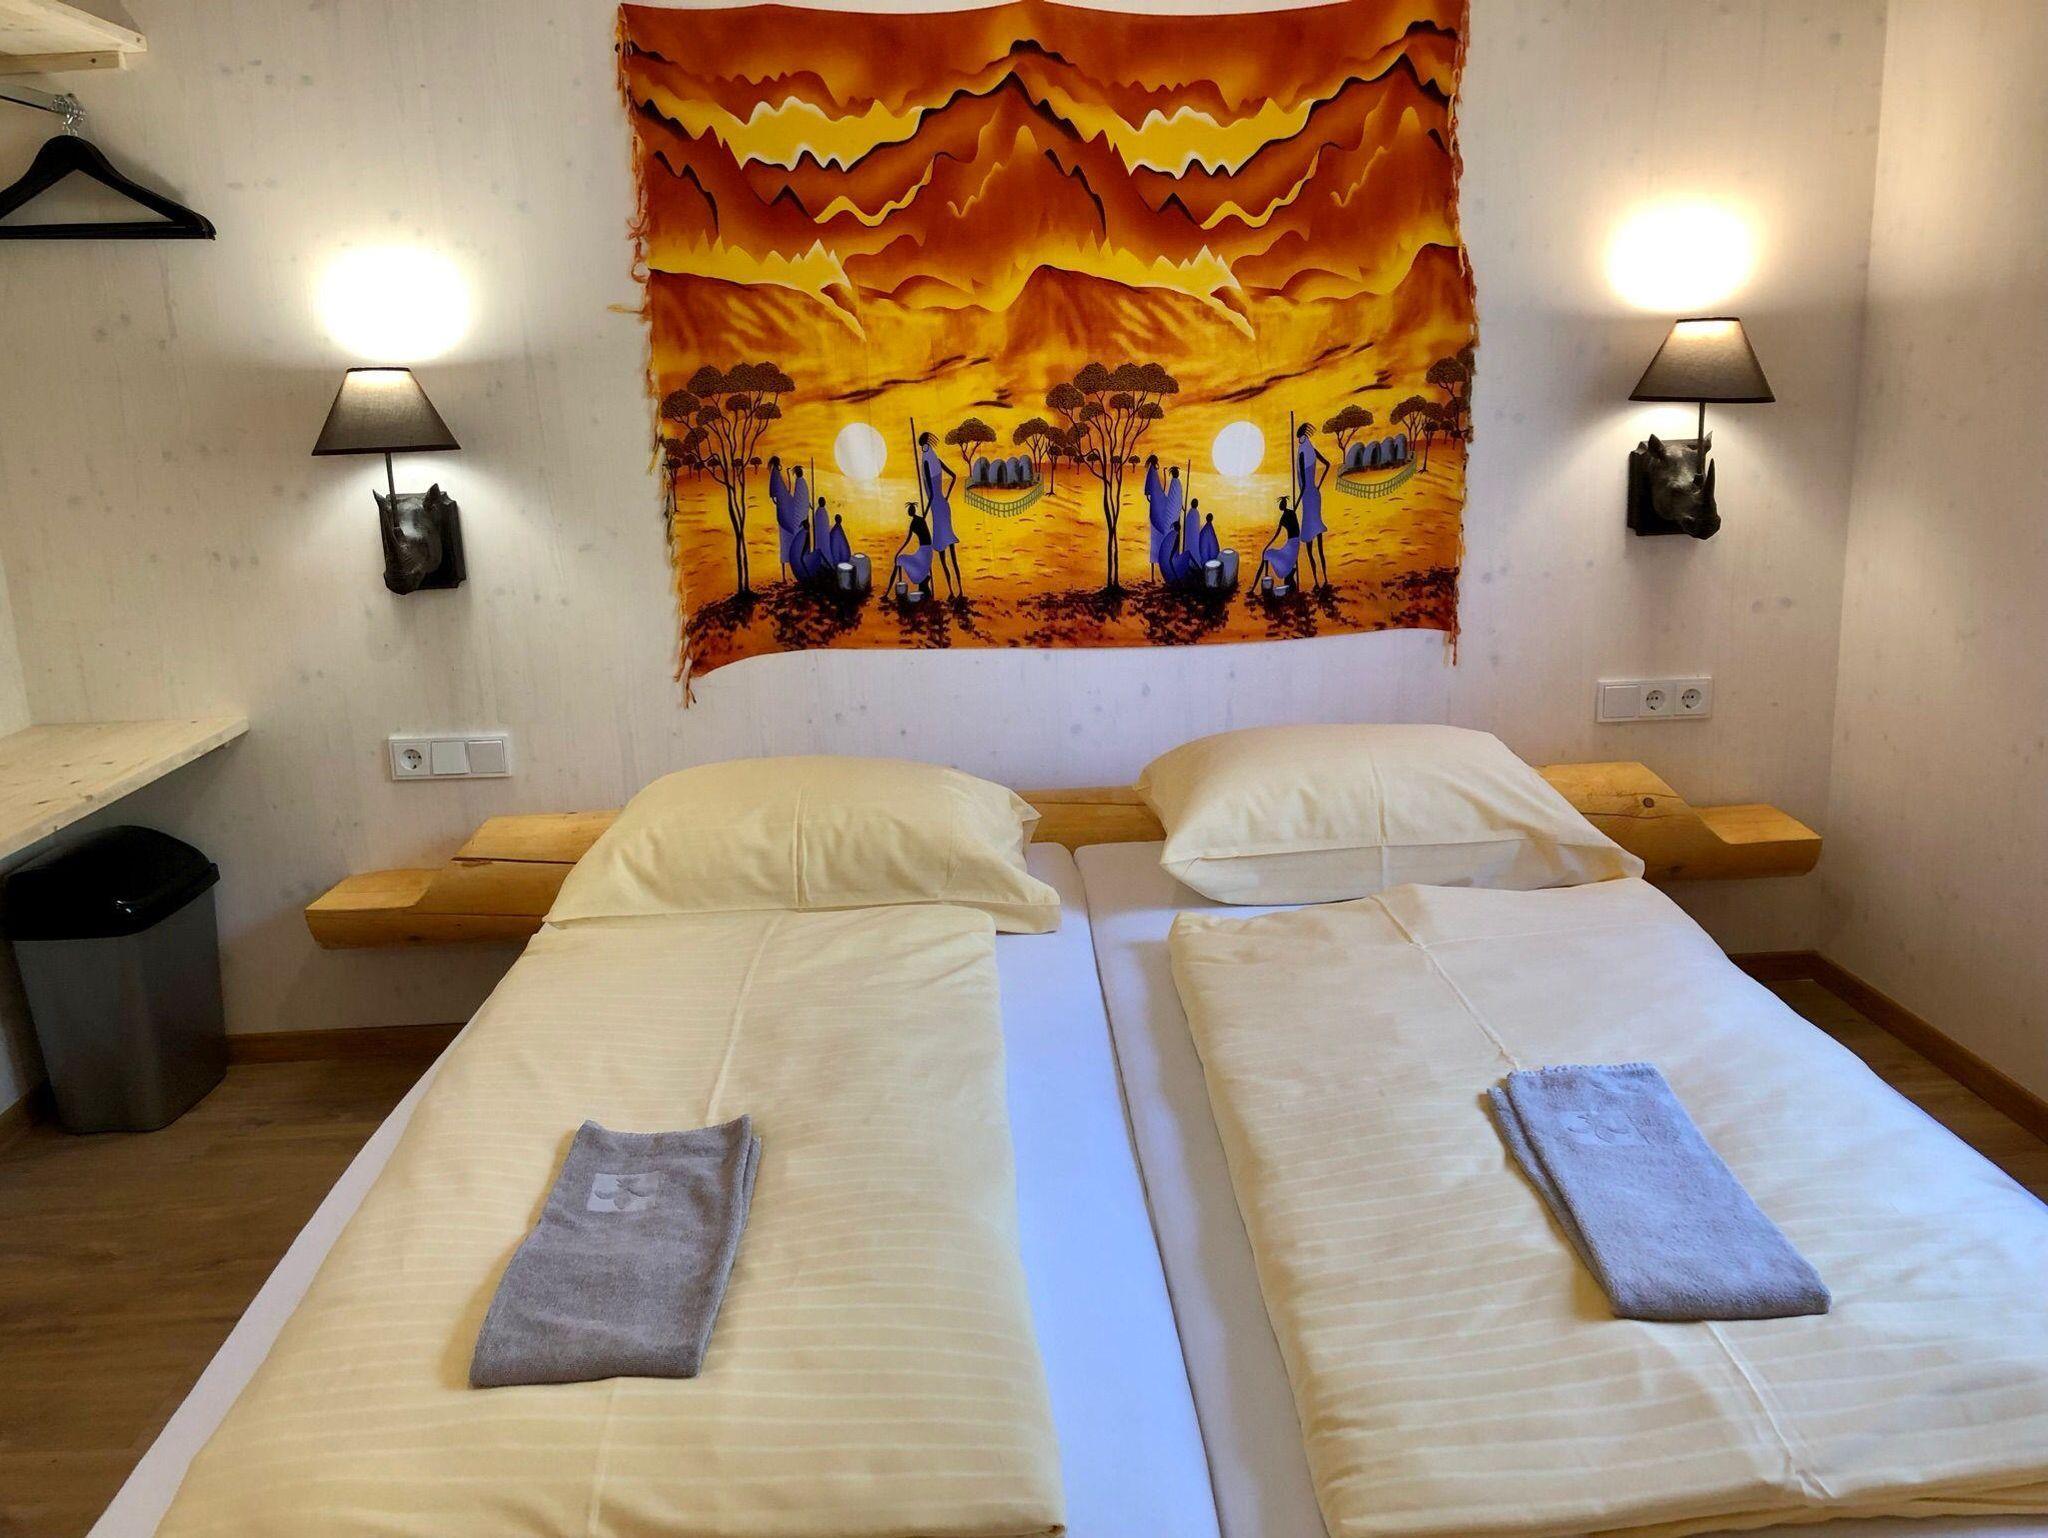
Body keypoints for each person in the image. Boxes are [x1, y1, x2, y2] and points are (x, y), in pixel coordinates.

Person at [918, 432, 963, 596]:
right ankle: (959, 590)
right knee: (951, 552)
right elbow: (954, 476)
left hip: (937, 509)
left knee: (943, 556)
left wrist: (924, 514)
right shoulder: (935, 459)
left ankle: (952, 591)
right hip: (944, 505)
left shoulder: (925, 462)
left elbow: (931, 493)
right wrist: (946, 496)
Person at [1294, 423, 1332, 588]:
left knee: (1309, 543)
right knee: (1319, 540)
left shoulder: (1302, 453)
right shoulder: (1311, 450)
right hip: (1315, 494)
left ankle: (1317, 580)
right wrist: (1318, 485)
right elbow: (1328, 465)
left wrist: (1295, 505)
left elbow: (1303, 485)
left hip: (1308, 497)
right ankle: (1324, 578)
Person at [883, 500, 937, 602]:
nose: (909, 511)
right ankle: (898, 590)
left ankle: (893, 592)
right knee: (900, 560)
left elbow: (908, 540)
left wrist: (899, 552)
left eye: (910, 510)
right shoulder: (921, 519)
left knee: (899, 559)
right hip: (926, 551)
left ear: (912, 511)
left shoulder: (914, 523)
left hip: (924, 552)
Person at [1256, 496, 1303, 595]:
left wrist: (1267, 546)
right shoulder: (1289, 514)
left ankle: (1266, 582)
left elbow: (1280, 533)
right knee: (1269, 554)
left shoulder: (1287, 515)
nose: (1280, 506)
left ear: (1284, 505)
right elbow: (1279, 533)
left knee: (1268, 554)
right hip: (1293, 543)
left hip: (1292, 544)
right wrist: (1268, 545)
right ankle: (1267, 581)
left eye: (1281, 504)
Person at [768, 456, 803, 581]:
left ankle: (788, 574)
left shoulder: (776, 473)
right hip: (784, 511)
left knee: (787, 540)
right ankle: (785, 575)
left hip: (785, 509)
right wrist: (782, 502)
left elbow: (779, 493)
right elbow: (775, 493)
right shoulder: (776, 474)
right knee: (785, 540)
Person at [1143, 454, 1169, 581]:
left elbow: (1152, 492)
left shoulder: (1152, 471)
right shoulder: (1152, 472)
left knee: (1156, 539)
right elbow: (1153, 491)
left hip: (1156, 507)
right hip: (1156, 509)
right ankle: (1154, 575)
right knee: (1156, 538)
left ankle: (1154, 575)